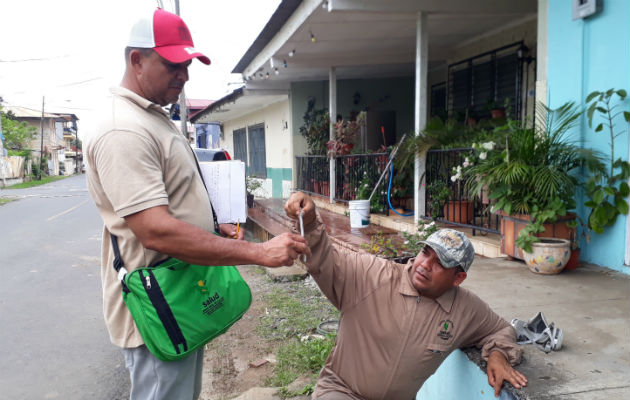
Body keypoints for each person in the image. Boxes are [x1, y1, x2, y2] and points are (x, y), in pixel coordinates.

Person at [85, 8, 310, 400]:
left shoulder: (152, 118)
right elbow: (154, 230)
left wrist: (209, 226)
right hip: (157, 304)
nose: (185, 75)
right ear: (137, 59)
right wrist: (258, 252)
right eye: (173, 64)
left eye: (187, 64)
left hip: (179, 291)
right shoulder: (123, 128)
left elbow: (169, 200)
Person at [284, 192, 527, 399]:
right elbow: (325, 257)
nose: (424, 264)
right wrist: (309, 219)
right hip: (341, 390)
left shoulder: (464, 308)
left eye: (440, 262)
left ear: (457, 278)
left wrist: (497, 354)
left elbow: (500, 329)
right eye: (425, 252)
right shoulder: (372, 275)